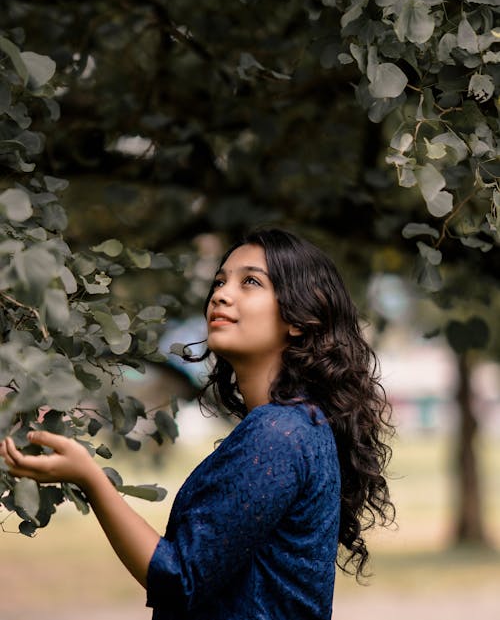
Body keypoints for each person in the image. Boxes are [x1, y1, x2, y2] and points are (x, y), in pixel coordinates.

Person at [0, 228, 395, 620]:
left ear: (299, 318)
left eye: (251, 282)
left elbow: (178, 579)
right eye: (220, 281)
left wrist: (90, 477)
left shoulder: (278, 433)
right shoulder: (301, 424)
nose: (221, 294)